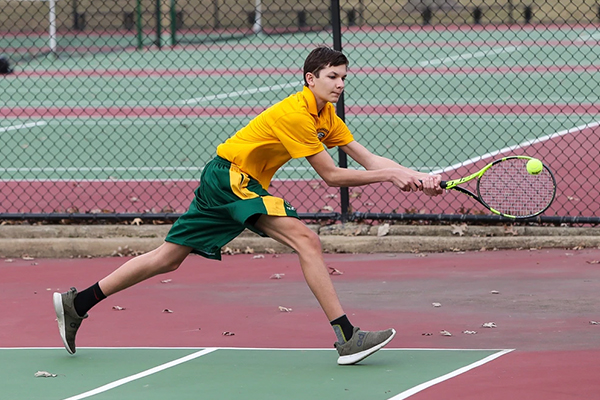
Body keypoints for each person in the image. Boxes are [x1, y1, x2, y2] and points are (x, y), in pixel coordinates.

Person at [53, 46, 443, 365]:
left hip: (225, 180)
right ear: (311, 79)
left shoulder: (325, 115)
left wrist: (416, 174)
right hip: (231, 179)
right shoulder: (296, 114)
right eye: (332, 77)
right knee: (306, 240)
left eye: (344, 78)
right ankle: (346, 337)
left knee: (167, 259)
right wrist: (392, 177)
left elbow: (369, 160)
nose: (340, 84)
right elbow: (332, 176)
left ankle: (78, 302)